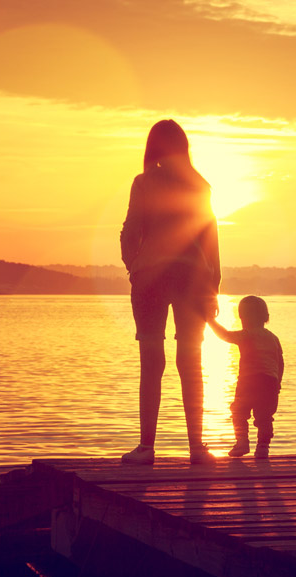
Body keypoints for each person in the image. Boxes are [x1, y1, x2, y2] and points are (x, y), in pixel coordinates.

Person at [120, 119, 220, 465]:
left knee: (153, 363)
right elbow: (211, 239)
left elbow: (130, 229)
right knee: (189, 362)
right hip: (190, 279)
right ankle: (196, 449)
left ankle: (147, 449)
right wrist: (214, 286)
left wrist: (133, 265)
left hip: (153, 278)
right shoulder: (199, 185)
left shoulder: (144, 183)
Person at [207, 296, 284, 459]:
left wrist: (210, 320)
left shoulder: (246, 335)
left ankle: (242, 441)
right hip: (270, 382)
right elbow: (280, 361)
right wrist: (278, 382)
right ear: (266, 317)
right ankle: (263, 447)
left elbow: (225, 335)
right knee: (265, 417)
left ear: (243, 318)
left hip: (249, 381)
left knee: (238, 411)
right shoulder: (273, 338)